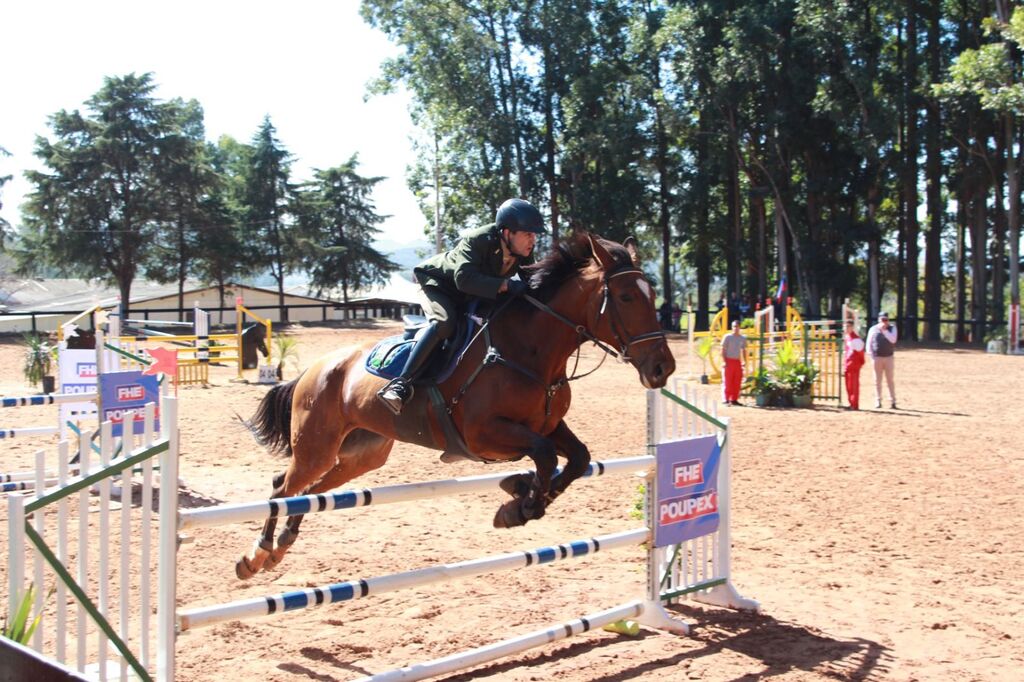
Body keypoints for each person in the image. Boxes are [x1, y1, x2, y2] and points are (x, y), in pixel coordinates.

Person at [377, 198, 545, 415]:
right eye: (528, 234)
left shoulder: (522, 250)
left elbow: (531, 280)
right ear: (507, 232)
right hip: (438, 285)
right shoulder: (477, 240)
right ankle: (401, 384)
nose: (533, 240)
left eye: (534, 234)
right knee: (445, 323)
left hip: (470, 294)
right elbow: (464, 280)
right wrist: (505, 284)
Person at [866, 311, 898, 409]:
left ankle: (892, 401)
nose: (884, 321)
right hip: (877, 357)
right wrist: (870, 354)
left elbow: (893, 340)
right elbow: (869, 342)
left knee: (890, 380)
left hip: (888, 357)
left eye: (886, 319)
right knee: (877, 380)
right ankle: (878, 400)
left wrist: (884, 331)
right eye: (882, 319)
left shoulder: (892, 328)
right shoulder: (873, 329)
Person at [721, 319, 748, 406]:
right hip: (729, 360)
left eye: (737, 326)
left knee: (737, 381)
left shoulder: (742, 338)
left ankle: (734, 399)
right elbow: (723, 350)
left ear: (740, 327)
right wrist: (724, 361)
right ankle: (726, 399)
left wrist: (744, 361)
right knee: (728, 381)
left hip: (737, 361)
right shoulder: (727, 337)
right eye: (734, 326)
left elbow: (744, 350)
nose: (735, 328)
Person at [843, 320, 866, 410]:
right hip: (848, 364)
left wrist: (860, 363)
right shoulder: (848, 337)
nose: (846, 328)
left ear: (852, 327)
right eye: (845, 326)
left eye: (848, 326)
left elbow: (860, 353)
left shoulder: (856, 339)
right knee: (848, 386)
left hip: (854, 365)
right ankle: (851, 402)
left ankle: (854, 404)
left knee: (853, 386)